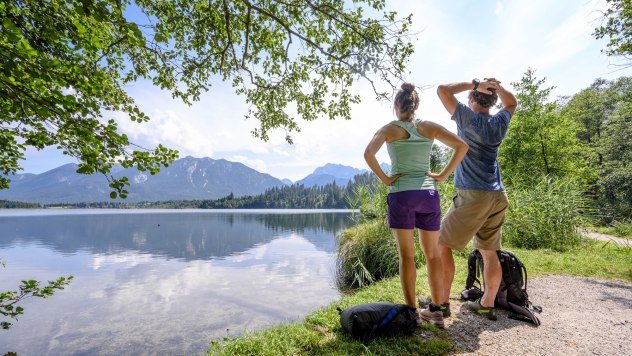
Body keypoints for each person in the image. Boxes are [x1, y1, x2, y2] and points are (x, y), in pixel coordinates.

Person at [364, 83, 468, 328]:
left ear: (396, 105)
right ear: (416, 105)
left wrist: (386, 179)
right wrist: (442, 175)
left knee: (407, 257)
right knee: (433, 256)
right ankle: (437, 311)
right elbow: (462, 146)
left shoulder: (389, 129)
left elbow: (369, 153)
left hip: (402, 195)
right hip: (428, 195)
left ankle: (412, 313)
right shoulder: (428, 127)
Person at [435, 78, 518, 321]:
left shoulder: (467, 117)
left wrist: (475, 83)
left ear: (472, 100)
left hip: (473, 194)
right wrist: (497, 88)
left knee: (441, 245)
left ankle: (440, 303)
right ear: (493, 102)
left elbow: (442, 90)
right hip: (497, 194)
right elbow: (511, 103)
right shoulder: (499, 121)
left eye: (471, 96)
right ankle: (486, 303)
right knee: (489, 251)